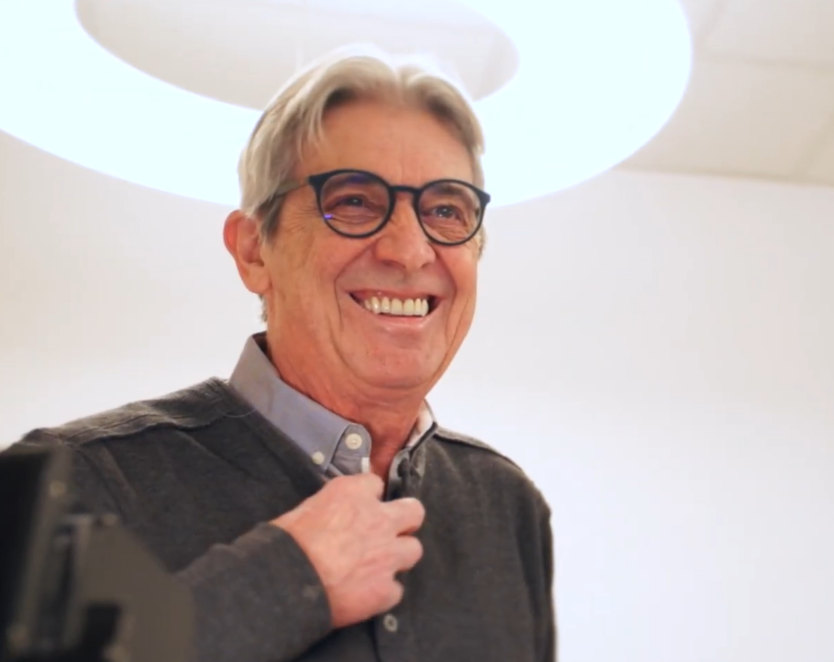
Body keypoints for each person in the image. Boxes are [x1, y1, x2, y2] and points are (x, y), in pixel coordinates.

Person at [7, 45, 554, 662]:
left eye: (446, 210)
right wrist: (285, 583)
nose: (409, 250)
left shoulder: (507, 505)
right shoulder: (70, 482)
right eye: (354, 201)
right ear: (253, 251)